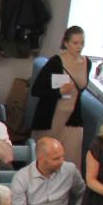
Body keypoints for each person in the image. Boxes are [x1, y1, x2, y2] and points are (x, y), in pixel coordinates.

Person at [29, 25, 91, 164]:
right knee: (46, 158)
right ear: (66, 43)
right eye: (75, 43)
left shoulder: (87, 63)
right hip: (52, 116)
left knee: (70, 159)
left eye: (82, 42)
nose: (79, 46)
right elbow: (36, 90)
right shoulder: (55, 63)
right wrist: (59, 91)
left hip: (73, 117)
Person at [9, 137, 85, 205]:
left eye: (62, 156)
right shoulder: (21, 178)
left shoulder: (70, 170)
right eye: (56, 158)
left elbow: (83, 193)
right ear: (41, 159)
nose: (62, 161)